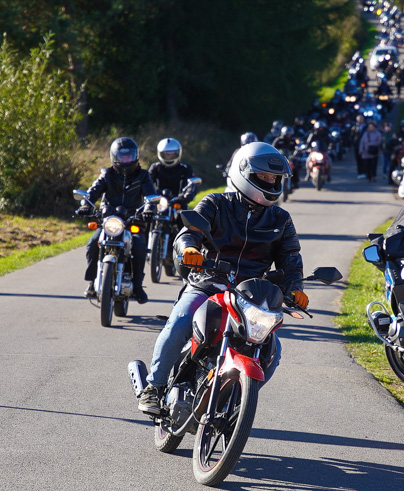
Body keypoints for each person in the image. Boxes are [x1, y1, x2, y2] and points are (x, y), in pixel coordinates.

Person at [137, 142, 309, 414]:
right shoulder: (216, 203)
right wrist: (190, 249)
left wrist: (295, 287)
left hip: (250, 296)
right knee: (182, 320)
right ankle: (154, 387)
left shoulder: (281, 219)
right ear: (244, 173)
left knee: (271, 351)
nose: (271, 181)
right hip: (208, 284)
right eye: (264, 176)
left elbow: (291, 259)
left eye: (274, 178)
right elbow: (188, 232)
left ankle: (232, 402)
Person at [77, 137, 156, 303]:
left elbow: (150, 196)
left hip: (133, 220)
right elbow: (92, 192)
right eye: (122, 157)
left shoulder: (143, 176)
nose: (125, 160)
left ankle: (138, 286)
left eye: (128, 156)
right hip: (109, 220)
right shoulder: (107, 174)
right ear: (114, 157)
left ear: (135, 156)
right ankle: (92, 283)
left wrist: (149, 209)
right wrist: (86, 204)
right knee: (93, 243)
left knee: (139, 246)